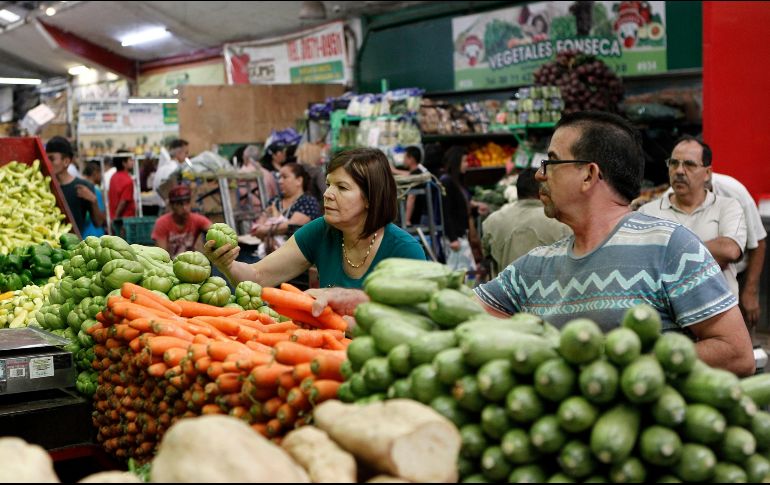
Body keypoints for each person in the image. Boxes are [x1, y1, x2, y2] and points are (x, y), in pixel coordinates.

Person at [473, 111, 754, 376]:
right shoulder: (533, 266)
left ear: (588, 175)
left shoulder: (670, 247)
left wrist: (622, 368)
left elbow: (737, 353)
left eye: (551, 162)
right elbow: (469, 316)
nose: (539, 175)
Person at [204, 147, 426, 292]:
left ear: (370, 197)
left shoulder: (404, 250)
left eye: (342, 187)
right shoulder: (322, 231)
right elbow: (258, 276)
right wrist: (228, 265)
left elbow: (414, 319)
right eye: (329, 184)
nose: (327, 194)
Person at [638, 136, 747, 299]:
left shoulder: (727, 207)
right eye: (674, 163)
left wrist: (664, 253)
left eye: (689, 164)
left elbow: (729, 250)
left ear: (707, 173)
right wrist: (706, 253)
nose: (679, 171)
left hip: (718, 307)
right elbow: (640, 260)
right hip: (665, 309)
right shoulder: (647, 212)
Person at [481, 168, 572, 277]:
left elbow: (486, 257)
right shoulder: (561, 222)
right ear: (543, 191)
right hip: (550, 287)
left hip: (506, 286)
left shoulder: (492, 221)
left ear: (518, 191)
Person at [708, 172, 767, 330]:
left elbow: (759, 243)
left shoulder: (734, 191)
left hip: (739, 276)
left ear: (707, 172)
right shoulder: (672, 194)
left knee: (740, 333)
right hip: (699, 280)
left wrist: (750, 291)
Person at [250, 162, 322, 256]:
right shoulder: (275, 200)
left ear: (299, 180)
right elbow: (258, 227)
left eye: (284, 177)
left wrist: (265, 230)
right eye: (279, 177)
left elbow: (292, 226)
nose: (280, 181)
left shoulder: (308, 202)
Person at [46, 136, 105, 236]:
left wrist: (93, 201)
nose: (48, 163)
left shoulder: (84, 187)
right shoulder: (45, 186)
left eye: (51, 159)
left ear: (66, 161)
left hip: (76, 242)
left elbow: (98, 223)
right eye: (46, 158)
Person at [440, 146, 476, 272]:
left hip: (461, 234)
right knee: (462, 272)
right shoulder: (447, 182)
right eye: (464, 161)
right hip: (455, 237)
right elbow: (446, 211)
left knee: (465, 271)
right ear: (456, 162)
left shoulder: (457, 181)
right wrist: (453, 238)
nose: (467, 164)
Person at [151, 185, 212, 258]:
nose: (185, 208)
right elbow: (161, 255)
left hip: (190, 262)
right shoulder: (162, 223)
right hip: (170, 262)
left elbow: (214, 230)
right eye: (180, 204)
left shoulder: (197, 219)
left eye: (187, 203)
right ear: (172, 205)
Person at [153, 139, 190, 209]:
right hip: (172, 209)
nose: (187, 156)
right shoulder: (176, 170)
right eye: (186, 153)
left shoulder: (160, 169)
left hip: (161, 208)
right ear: (178, 153)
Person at [240, 145, 278, 211]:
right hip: (267, 210)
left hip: (245, 211)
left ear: (245, 157)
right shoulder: (268, 174)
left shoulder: (239, 174)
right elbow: (275, 194)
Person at [403, 146, 429, 227]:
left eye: (405, 157)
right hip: (423, 215)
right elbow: (408, 174)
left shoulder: (416, 175)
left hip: (418, 218)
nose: (403, 160)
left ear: (411, 159)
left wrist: (406, 220)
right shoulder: (420, 172)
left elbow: (412, 197)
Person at [108, 150, 137, 221]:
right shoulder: (128, 180)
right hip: (126, 220)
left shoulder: (113, 177)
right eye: (130, 160)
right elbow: (123, 202)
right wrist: (115, 218)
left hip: (113, 216)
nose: (133, 162)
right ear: (124, 163)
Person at [81, 160, 106, 238]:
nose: (101, 177)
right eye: (100, 173)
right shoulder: (95, 191)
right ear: (95, 173)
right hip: (94, 233)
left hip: (82, 233)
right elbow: (101, 215)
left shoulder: (81, 189)